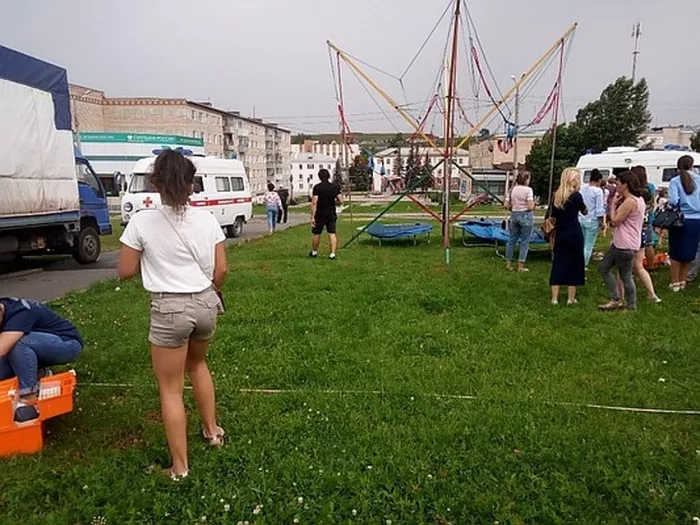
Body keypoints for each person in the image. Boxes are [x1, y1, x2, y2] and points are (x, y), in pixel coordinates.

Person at [117, 150, 228, 480]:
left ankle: (180, 468)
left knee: (170, 389)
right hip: (206, 303)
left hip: (170, 309)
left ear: (156, 183)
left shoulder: (141, 221)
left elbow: (125, 270)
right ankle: (212, 432)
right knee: (199, 365)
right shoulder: (208, 219)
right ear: (191, 184)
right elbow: (222, 269)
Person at [0, 298, 83, 421]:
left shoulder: (19, 312)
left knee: (17, 343)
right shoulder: (4, 308)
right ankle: (40, 373)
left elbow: (2, 348)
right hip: (38, 344)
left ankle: (29, 394)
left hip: (67, 343)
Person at [599, 171, 646, 311]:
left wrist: (613, 205)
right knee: (604, 268)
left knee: (625, 276)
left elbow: (615, 221)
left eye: (618, 183)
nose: (616, 186)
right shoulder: (639, 199)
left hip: (625, 244)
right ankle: (617, 299)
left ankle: (629, 305)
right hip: (625, 242)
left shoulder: (630, 202)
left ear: (625, 185)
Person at [621, 166, 661, 303]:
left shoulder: (632, 197)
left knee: (622, 266)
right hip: (644, 226)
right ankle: (651, 293)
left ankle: (620, 296)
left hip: (630, 232)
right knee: (639, 264)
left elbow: (619, 217)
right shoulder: (649, 190)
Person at [549, 167, 588, 305]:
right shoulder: (576, 196)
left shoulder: (556, 196)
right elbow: (584, 211)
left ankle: (554, 298)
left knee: (558, 262)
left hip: (560, 233)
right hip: (574, 233)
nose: (579, 181)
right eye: (577, 178)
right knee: (574, 264)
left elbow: (552, 215)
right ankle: (571, 298)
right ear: (572, 180)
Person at [667, 155, 700, 292]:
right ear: (692, 165)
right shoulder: (699, 179)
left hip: (680, 219)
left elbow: (673, 201)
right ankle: (683, 280)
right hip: (697, 219)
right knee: (690, 252)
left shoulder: (675, 181)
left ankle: (675, 282)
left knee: (676, 252)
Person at [504, 171, 535, 272]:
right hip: (525, 215)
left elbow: (506, 204)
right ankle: (520, 266)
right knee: (524, 241)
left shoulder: (512, 189)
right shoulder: (528, 190)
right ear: (526, 179)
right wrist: (533, 204)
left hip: (514, 215)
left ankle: (508, 264)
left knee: (511, 240)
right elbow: (530, 206)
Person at [309, 168, 343, 260]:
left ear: (319, 177)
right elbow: (341, 200)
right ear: (328, 176)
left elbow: (314, 202)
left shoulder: (317, 187)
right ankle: (332, 254)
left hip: (320, 213)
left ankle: (314, 252)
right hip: (331, 212)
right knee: (332, 233)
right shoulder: (335, 187)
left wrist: (312, 216)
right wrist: (334, 202)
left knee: (316, 233)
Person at [579, 168, 606, 267]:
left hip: (581, 217)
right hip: (592, 219)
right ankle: (583, 265)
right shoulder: (598, 191)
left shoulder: (583, 188)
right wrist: (602, 222)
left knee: (581, 243)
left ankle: (577, 262)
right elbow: (599, 208)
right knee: (588, 245)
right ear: (599, 180)